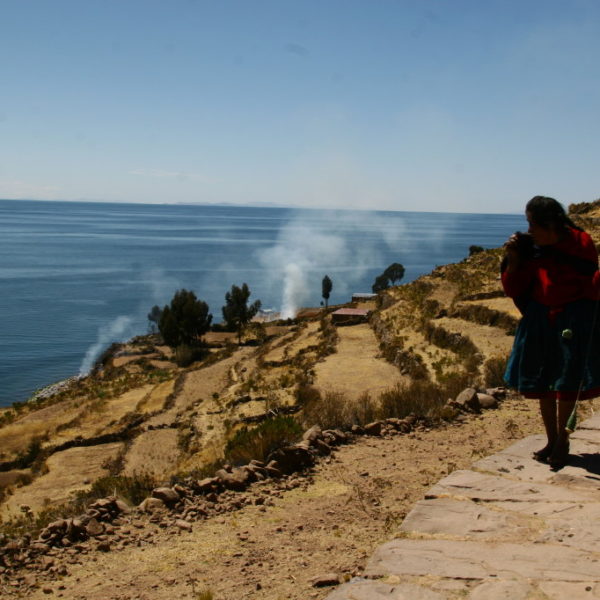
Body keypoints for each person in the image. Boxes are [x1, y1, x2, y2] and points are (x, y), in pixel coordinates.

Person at [502, 196, 600, 470]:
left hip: (573, 320)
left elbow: (591, 285)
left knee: (567, 381)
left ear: (550, 224)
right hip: (539, 321)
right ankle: (551, 438)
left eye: (533, 223)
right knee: (542, 381)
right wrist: (512, 260)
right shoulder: (531, 249)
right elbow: (514, 288)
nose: (529, 230)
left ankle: (563, 441)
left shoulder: (581, 243)